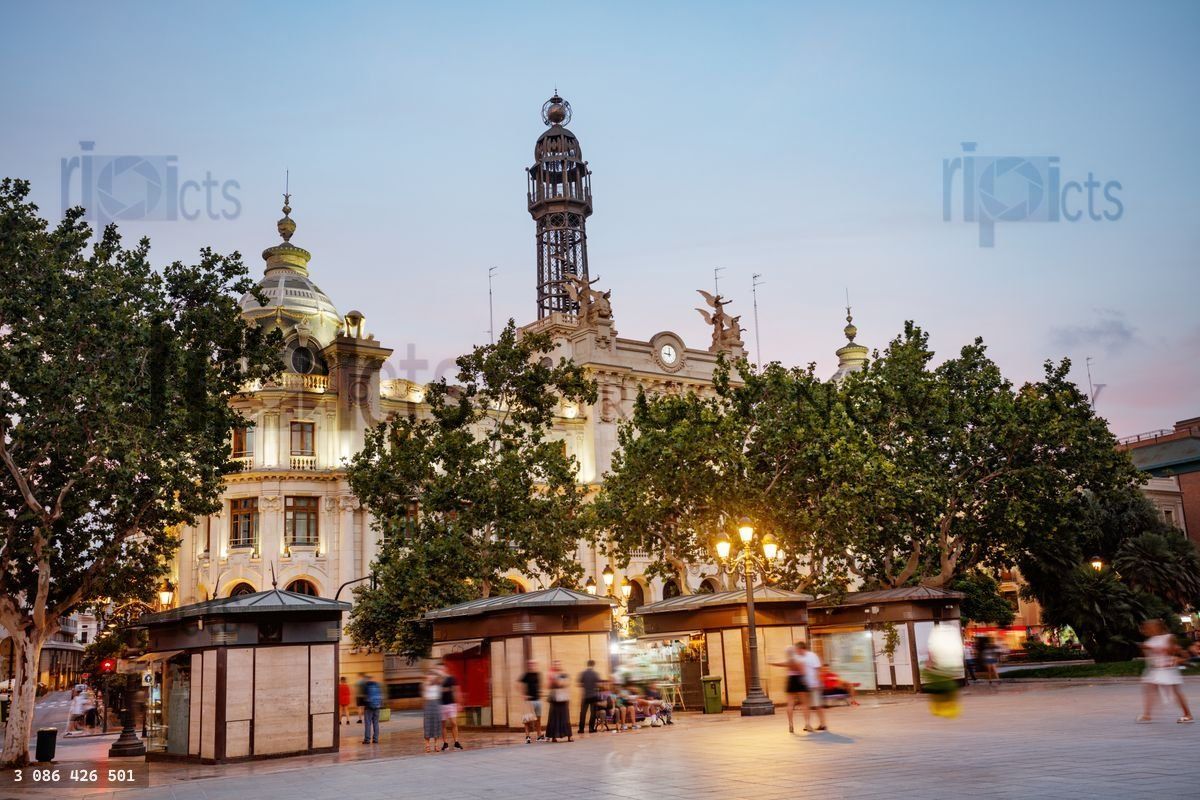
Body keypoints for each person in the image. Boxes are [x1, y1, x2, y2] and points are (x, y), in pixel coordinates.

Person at [1138, 619, 1193, 724]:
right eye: (1147, 628)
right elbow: (1149, 657)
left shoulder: (1169, 637)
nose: (1148, 630)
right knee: (1149, 690)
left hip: (1168, 669)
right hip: (1156, 669)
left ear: (1158, 627)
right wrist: (1146, 649)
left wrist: (1157, 649)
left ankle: (1187, 714)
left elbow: (1172, 651)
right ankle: (1147, 714)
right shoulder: (1150, 641)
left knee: (1176, 692)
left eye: (1150, 628)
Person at [771, 640, 810, 734]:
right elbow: (803, 672)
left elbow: (778, 664)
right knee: (804, 704)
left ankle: (791, 725)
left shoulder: (788, 662)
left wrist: (771, 662)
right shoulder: (799, 661)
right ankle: (807, 723)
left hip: (790, 680)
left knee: (790, 704)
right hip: (799, 680)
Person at [545, 660, 573, 742]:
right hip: (554, 699)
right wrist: (553, 680)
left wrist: (556, 680)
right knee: (553, 718)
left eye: (558, 664)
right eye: (555, 664)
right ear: (553, 666)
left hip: (563, 698)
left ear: (560, 665)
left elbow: (564, 683)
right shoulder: (551, 674)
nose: (557, 665)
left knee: (565, 717)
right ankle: (553, 736)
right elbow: (548, 685)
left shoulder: (564, 674)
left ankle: (569, 736)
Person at [439, 661, 463, 750]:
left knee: (454, 723)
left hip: (451, 704)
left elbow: (456, 690)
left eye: (442, 669)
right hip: (441, 705)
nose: (441, 670)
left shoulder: (451, 678)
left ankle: (456, 742)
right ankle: (445, 743)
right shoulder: (438, 680)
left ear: (445, 669)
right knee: (443, 725)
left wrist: (459, 703)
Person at [519, 659, 544, 743]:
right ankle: (527, 737)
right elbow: (518, 684)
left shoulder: (538, 674)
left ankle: (539, 736)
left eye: (533, 664)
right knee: (527, 720)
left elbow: (539, 685)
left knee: (538, 719)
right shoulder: (526, 675)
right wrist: (523, 694)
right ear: (528, 665)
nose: (532, 665)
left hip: (537, 701)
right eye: (530, 664)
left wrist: (540, 692)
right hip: (529, 701)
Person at [422, 668, 443, 752]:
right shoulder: (424, 684)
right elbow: (424, 696)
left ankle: (436, 744)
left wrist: (437, 673)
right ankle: (427, 745)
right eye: (429, 675)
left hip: (436, 705)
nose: (431, 677)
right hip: (428, 705)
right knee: (427, 725)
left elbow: (442, 677)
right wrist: (427, 682)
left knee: (436, 725)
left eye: (432, 676)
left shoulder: (438, 685)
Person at [578, 659, 600, 734]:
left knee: (583, 713)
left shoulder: (583, 673)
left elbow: (579, 684)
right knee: (593, 713)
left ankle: (581, 729)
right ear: (593, 665)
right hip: (593, 695)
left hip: (585, 696)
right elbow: (598, 684)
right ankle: (591, 728)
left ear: (587, 664)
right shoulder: (595, 674)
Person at [361, 673, 383, 744]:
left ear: (366, 679)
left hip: (368, 707)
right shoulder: (377, 685)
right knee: (376, 723)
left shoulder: (366, 686)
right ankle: (375, 739)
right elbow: (380, 696)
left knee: (368, 723)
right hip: (377, 706)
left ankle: (367, 739)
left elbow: (364, 697)